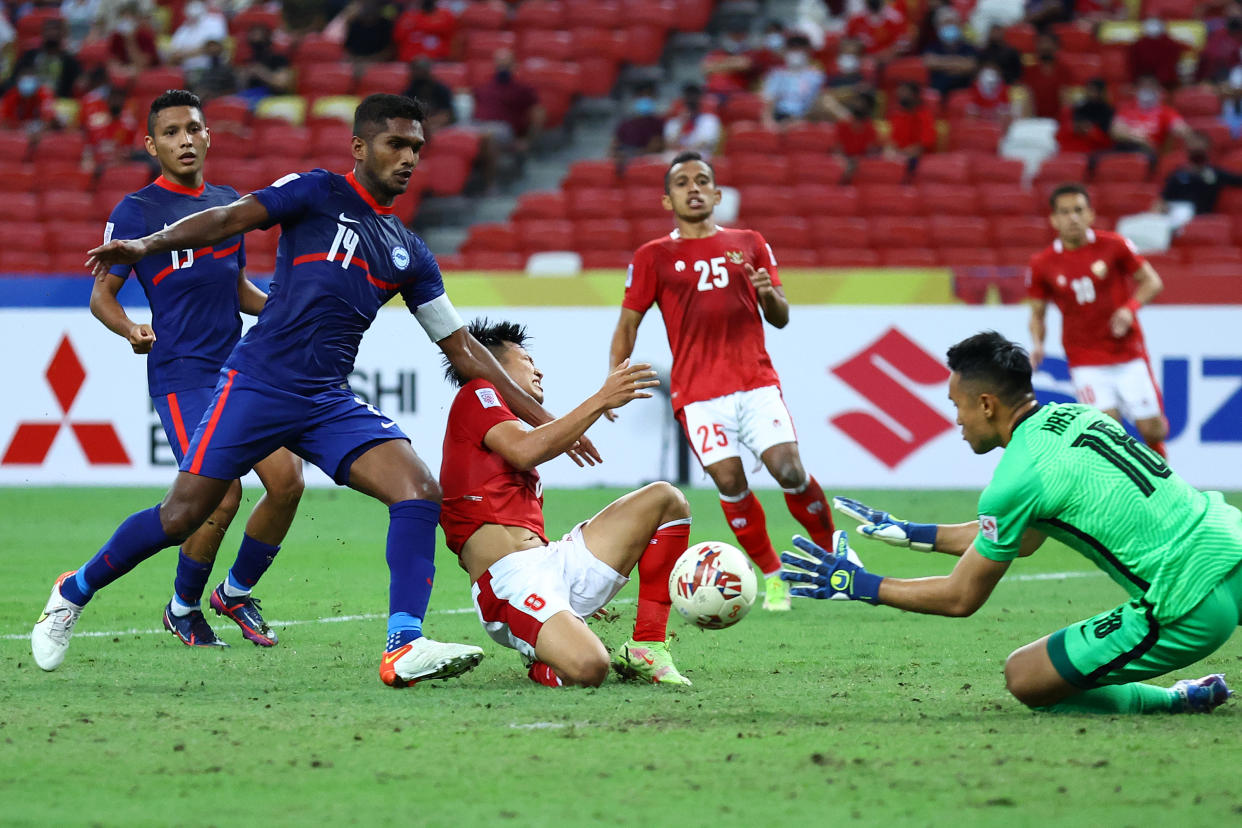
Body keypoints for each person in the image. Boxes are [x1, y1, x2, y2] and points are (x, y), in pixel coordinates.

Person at [33, 94, 599, 687]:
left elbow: (461, 347)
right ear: (360, 147)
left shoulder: (409, 250)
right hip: (256, 383)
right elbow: (228, 219)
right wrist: (147, 245)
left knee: (417, 491)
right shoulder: (315, 190)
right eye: (396, 144)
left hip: (326, 398)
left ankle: (403, 644)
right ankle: (72, 591)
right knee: (182, 516)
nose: (408, 158)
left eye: (416, 148)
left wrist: (540, 414)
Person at [783, 330, 1238, 715]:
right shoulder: (1078, 415)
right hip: (1229, 542)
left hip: (1186, 602)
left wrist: (860, 584)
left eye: (957, 405)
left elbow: (960, 597)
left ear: (985, 404)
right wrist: (913, 534)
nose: (955, 420)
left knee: (1025, 675)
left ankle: (1176, 699)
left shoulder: (1016, 479)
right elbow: (1023, 540)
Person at [87, 89, 304, 649]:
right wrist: (130, 327)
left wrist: (287, 307)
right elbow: (101, 297)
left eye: (194, 129)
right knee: (221, 494)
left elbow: (237, 290)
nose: (185, 139)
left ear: (208, 136)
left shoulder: (229, 203)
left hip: (237, 370)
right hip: (181, 373)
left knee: (287, 482)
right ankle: (183, 608)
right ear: (151, 144)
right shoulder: (135, 212)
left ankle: (231, 592)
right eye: (172, 132)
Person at [607, 151, 837, 613]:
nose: (693, 188)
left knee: (789, 469)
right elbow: (628, 323)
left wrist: (768, 293)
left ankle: (832, 557)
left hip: (755, 383)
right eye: (682, 183)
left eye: (702, 180)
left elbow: (781, 318)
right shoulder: (653, 256)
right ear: (667, 199)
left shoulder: (750, 242)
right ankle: (774, 577)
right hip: (698, 396)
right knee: (730, 482)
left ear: (716, 193)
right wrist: (614, 380)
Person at [440, 319, 695, 687]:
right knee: (590, 668)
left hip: (551, 562)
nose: (538, 369)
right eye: (526, 359)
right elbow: (525, 451)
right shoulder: (476, 393)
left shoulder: (502, 428)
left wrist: (564, 587)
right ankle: (543, 657)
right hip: (510, 583)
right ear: (492, 365)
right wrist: (600, 398)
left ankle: (647, 645)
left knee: (666, 499)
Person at [1027, 184, 1168, 456]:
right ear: (1053, 219)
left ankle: (1164, 482)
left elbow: (1152, 282)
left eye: (1079, 210)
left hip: (1127, 352)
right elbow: (1037, 312)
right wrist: (1037, 343)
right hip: (1085, 359)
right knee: (1108, 434)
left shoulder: (1114, 245)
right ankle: (1124, 493)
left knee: (1153, 430)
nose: (1073, 218)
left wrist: (1130, 308)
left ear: (1091, 214)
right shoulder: (1042, 264)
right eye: (1065, 212)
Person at [1110, 75, 1192, 162]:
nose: (1147, 89)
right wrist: (1142, 139)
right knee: (1097, 159)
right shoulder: (1126, 109)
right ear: (1136, 90)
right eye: (1144, 86)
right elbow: (1116, 132)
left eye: (1151, 86)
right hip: (1125, 148)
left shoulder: (1167, 111)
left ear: (1159, 90)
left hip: (1148, 152)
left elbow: (1182, 129)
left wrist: (1180, 131)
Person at [1157, 136, 1242, 216]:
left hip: (1199, 216)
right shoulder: (1177, 174)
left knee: (1184, 212)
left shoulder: (1216, 174)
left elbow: (1238, 180)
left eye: (1200, 148)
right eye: (1194, 147)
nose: (1197, 149)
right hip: (1174, 211)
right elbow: (1163, 200)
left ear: (1207, 150)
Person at [760, 34, 825, 123]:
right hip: (780, 116)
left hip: (807, 118)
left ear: (808, 51)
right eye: (792, 48)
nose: (796, 52)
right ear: (786, 51)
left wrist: (798, 120)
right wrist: (770, 124)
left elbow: (818, 103)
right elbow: (769, 103)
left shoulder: (816, 76)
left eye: (800, 49)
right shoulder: (776, 75)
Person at [11, 16, 80, 98]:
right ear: (42, 33)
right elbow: (15, 78)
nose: (52, 33)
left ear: (63, 34)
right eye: (49, 30)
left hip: (58, 102)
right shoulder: (29, 56)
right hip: (31, 100)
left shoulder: (70, 61)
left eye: (56, 30)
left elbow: (76, 86)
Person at [166, 0, 228, 75]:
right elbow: (172, 57)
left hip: (210, 71)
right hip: (186, 73)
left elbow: (214, 48)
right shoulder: (183, 29)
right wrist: (200, 50)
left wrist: (183, 54)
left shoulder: (215, 21)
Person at [662, 84, 721, 158]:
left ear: (700, 99)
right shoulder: (674, 122)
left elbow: (705, 144)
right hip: (677, 156)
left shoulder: (710, 120)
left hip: (700, 156)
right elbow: (669, 145)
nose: (691, 100)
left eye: (694, 97)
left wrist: (687, 151)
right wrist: (681, 124)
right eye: (688, 97)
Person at [611, 81, 663, 162]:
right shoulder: (625, 124)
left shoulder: (658, 123)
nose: (645, 98)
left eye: (648, 95)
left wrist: (634, 156)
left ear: (654, 97)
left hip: (647, 163)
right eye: (641, 95)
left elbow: (656, 146)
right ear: (635, 98)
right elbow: (614, 146)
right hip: (626, 162)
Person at [0, 68, 60, 133]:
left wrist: (38, 129)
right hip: (17, 132)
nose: (27, 85)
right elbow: (4, 121)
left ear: (37, 83)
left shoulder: (45, 94)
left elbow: (49, 118)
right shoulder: (11, 96)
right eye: (24, 82)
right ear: (18, 83)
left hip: (39, 132)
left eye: (30, 82)